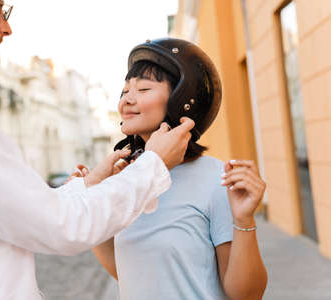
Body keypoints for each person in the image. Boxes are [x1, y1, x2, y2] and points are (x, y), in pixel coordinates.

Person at [0, 2, 195, 299]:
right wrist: (153, 164)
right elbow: (60, 226)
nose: (7, 28)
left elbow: (20, 209)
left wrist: (89, 184)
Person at [85, 38, 268, 300]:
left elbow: (247, 295)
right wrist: (91, 200)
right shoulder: (128, 179)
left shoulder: (216, 179)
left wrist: (243, 220)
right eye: (125, 91)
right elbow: (128, 272)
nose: (127, 100)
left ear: (183, 99)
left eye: (144, 89)